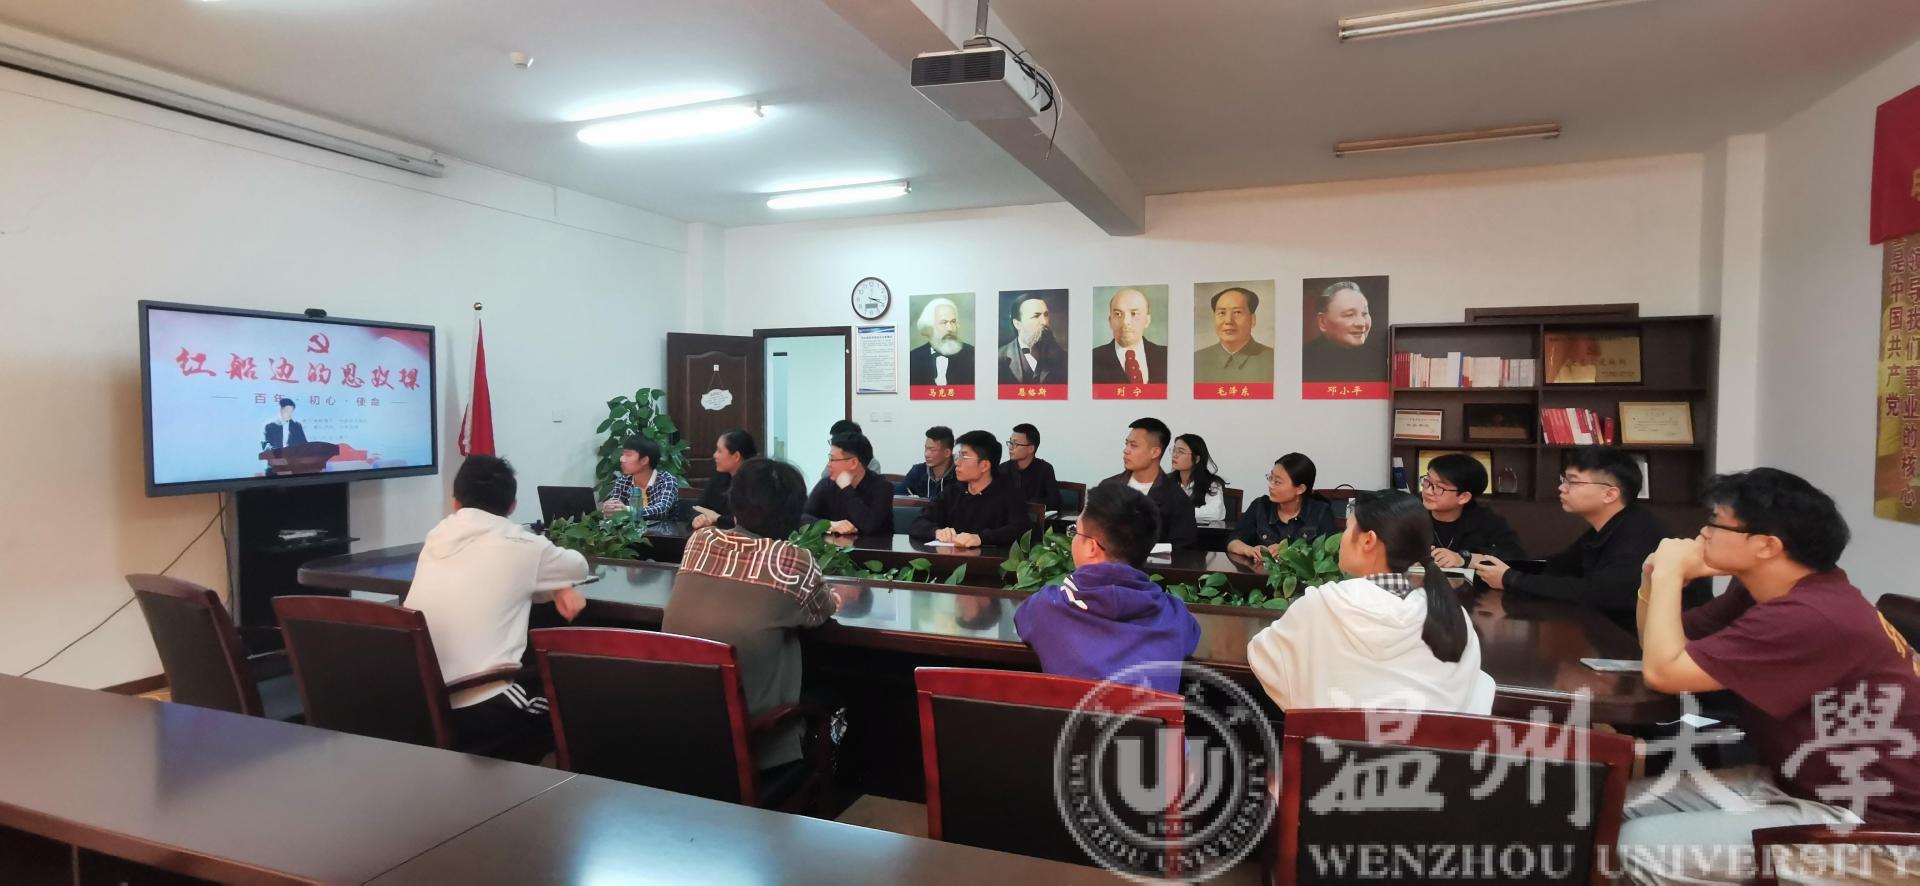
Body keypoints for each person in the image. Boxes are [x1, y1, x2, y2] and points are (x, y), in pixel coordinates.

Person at [1618, 468, 1920, 884]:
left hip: (1871, 821)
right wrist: (1654, 577)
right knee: (1612, 803)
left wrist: (1672, 573)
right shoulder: (1767, 593)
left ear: (1766, 545)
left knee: (1639, 846)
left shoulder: (1811, 615)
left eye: (1715, 523)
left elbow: (1663, 673)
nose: (1702, 533)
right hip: (1797, 784)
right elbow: (1660, 646)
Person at [665, 457, 850, 772]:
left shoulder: (700, 541)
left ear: (734, 502)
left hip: (679, 728)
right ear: (794, 513)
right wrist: (833, 596)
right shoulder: (793, 561)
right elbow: (822, 611)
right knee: (836, 692)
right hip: (753, 743)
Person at [1247, 489, 1493, 713]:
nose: (1342, 538)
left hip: (1331, 747)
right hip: (1424, 749)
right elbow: (1473, 694)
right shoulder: (1451, 615)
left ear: (1368, 541)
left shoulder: (1322, 605)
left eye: (1347, 529)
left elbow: (1265, 658)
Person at [405, 455, 589, 749]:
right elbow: (578, 567)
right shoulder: (523, 545)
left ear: (455, 502)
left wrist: (553, 585)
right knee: (579, 708)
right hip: (482, 705)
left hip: (420, 704)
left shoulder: (436, 536)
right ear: (512, 506)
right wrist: (559, 585)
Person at [1471, 446, 1706, 631]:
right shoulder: (1610, 525)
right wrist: (1492, 566)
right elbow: (1558, 567)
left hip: (1669, 642)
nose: (1562, 488)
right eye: (1564, 480)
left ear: (1610, 494)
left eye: (1573, 482)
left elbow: (1598, 593)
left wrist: (1511, 578)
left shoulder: (1637, 533)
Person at [1014, 485, 1200, 694]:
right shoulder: (1175, 615)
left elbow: (1022, 621)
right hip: (1146, 716)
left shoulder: (1047, 607)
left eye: (1075, 531)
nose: (1073, 538)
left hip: (1074, 716)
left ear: (1092, 547)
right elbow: (1191, 639)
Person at [909, 430, 1031, 548]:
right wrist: (937, 532)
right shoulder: (953, 491)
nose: (957, 462)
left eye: (964, 456)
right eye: (958, 456)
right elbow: (919, 523)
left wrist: (980, 538)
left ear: (984, 465)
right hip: (950, 559)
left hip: (991, 560)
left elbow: (1021, 529)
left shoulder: (1009, 493)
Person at [1095, 417, 1197, 549]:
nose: (1126, 450)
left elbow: (1183, 551)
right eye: (1126, 444)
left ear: (1155, 452)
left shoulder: (1177, 500)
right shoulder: (1108, 487)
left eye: (1134, 445)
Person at [1421, 453, 1524, 566]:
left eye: (1439, 487)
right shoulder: (1410, 513)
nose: (1428, 491)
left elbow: (1514, 554)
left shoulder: (1485, 520)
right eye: (1427, 481)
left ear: (1464, 497)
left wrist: (1464, 559)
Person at [1226, 453, 1337, 557]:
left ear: (1300, 489)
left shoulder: (1321, 511)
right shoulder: (1260, 506)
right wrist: (1249, 550)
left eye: (1277, 482)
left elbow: (1330, 553)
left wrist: (1289, 551)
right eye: (1271, 478)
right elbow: (1233, 542)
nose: (1270, 485)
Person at [802, 432, 893, 536]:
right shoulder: (827, 484)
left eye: (832, 459)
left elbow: (869, 526)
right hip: (833, 545)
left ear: (853, 463)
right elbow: (802, 517)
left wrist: (847, 488)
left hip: (874, 546)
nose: (828, 465)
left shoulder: (883, 487)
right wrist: (828, 525)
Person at [1301, 280, 1385, 382]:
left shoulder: (1378, 358)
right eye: (1349, 314)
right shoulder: (1305, 359)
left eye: (1364, 313)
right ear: (1323, 321)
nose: (1361, 323)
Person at [1194, 286, 1274, 383]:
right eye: (1222, 313)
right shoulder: (1197, 359)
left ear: (1253, 319)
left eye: (1237, 312)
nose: (1228, 321)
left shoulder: (1272, 358)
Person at [1091, 288, 1167, 384]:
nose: (1125, 322)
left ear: (1147, 320)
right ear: (1110, 321)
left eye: (1134, 313)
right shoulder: (1092, 359)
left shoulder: (1167, 356)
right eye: (1118, 314)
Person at [602, 435, 679, 522]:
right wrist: (610, 509)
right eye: (623, 454)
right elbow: (615, 507)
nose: (622, 459)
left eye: (628, 455)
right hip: (630, 530)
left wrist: (628, 510)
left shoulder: (666, 480)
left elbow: (662, 510)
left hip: (664, 530)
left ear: (644, 460)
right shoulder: (623, 481)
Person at [691, 429, 756, 531]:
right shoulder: (719, 477)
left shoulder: (756, 483)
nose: (714, 455)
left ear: (736, 456)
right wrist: (700, 519)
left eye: (719, 451)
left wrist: (717, 518)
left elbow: (747, 523)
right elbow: (699, 507)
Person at [998, 294, 1067, 384]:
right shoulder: (999, 357)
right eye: (1036, 316)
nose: (1044, 322)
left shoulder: (1062, 357)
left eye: (1046, 315)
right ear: (1017, 324)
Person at [908, 297, 975, 387]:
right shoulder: (913, 358)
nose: (950, 328)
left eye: (953, 322)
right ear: (930, 326)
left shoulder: (972, 354)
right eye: (944, 322)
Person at [997, 423, 1061, 511]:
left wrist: (1027, 503)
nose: (1010, 447)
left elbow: (1055, 502)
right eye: (1010, 442)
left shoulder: (1045, 469)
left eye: (1015, 444)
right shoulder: (1002, 469)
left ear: (1030, 449)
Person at [1170, 433, 1227, 524]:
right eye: (1174, 450)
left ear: (1196, 459)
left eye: (1181, 452)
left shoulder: (1212, 483)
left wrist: (1180, 512)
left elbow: (1216, 513)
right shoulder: (1165, 481)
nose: (1174, 455)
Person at [895, 426, 957, 498]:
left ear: (947, 453)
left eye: (933, 450)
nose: (926, 454)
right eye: (926, 448)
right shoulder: (918, 471)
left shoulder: (959, 474)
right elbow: (898, 496)